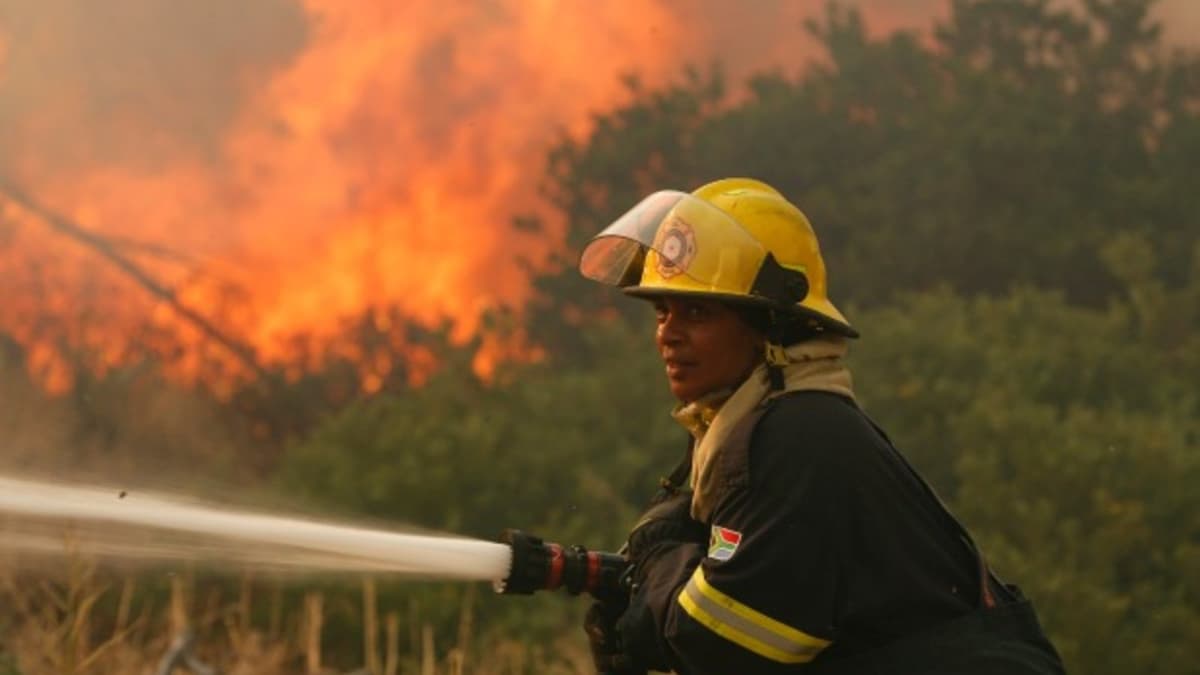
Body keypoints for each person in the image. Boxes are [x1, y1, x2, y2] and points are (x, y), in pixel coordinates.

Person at [576, 178, 1065, 674]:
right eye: (663, 311)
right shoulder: (767, 429)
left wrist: (659, 568)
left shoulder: (798, 436)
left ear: (770, 326)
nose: (668, 334)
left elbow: (724, 642)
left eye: (697, 312)